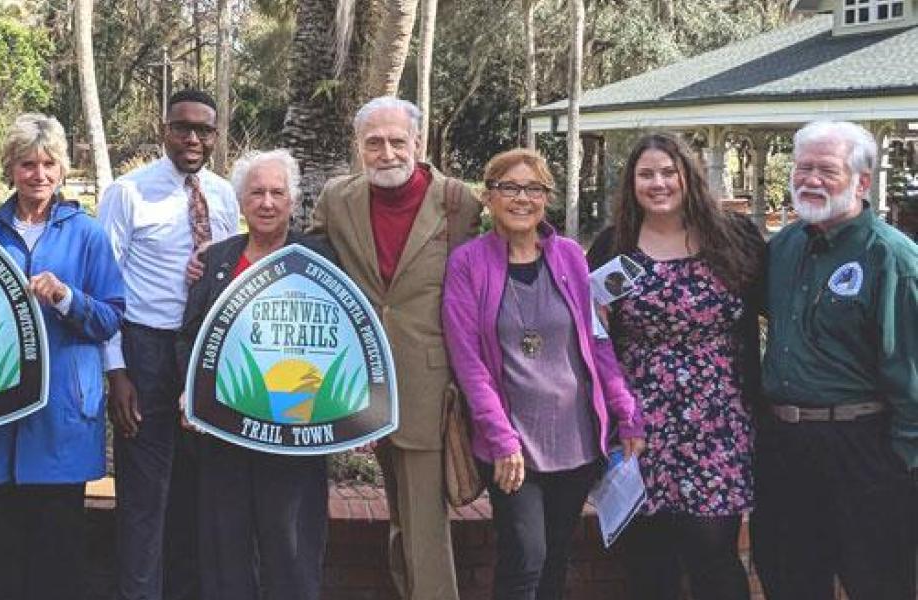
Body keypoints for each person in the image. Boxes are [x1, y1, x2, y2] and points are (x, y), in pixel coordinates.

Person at [444, 148, 645, 600]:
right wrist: (500, 439)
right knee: (524, 561)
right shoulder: (468, 263)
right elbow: (469, 363)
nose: (522, 198)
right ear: (489, 196)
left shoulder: (571, 256)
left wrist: (626, 412)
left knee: (555, 561)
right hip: (513, 443)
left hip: (575, 437)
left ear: (546, 199)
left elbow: (597, 342)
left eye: (533, 188)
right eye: (509, 188)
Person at [306, 96, 482, 600]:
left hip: (428, 380)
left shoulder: (457, 201)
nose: (386, 152)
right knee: (398, 512)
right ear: (359, 148)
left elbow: (475, 286)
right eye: (374, 143)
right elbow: (310, 264)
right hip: (354, 381)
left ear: (418, 144)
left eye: (397, 141)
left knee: (425, 519)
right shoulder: (338, 200)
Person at [587, 133, 766, 600]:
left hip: (718, 419)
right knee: (648, 557)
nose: (659, 183)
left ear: (688, 176)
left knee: (714, 552)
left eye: (669, 172)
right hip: (640, 424)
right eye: (647, 174)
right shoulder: (613, 247)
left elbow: (775, 308)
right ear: (632, 184)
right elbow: (585, 329)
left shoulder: (734, 237)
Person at [0, 113, 125, 600]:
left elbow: (112, 316)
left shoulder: (88, 234)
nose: (40, 175)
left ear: (63, 169)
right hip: (0, 410)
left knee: (60, 554)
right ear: (10, 167)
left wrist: (66, 298)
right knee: (5, 552)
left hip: (64, 409)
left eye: (49, 163)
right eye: (28, 164)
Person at [751, 120, 917, 600]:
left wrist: (901, 466)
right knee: (789, 578)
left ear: (862, 182)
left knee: (877, 583)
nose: (810, 180)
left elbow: (912, 369)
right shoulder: (783, 248)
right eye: (803, 168)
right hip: (784, 447)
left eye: (827, 169)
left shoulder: (892, 258)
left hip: (864, 450)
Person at [98, 89, 239, 600]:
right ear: (164, 131)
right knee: (144, 496)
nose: (193, 138)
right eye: (183, 127)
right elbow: (103, 284)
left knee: (197, 494)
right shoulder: (128, 192)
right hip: (146, 350)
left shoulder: (224, 194)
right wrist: (117, 372)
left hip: (206, 352)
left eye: (204, 129)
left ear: (215, 136)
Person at [174, 149, 332, 600]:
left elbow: (342, 338)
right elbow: (190, 336)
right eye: (256, 192)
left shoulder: (318, 259)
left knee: (292, 555)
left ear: (292, 200)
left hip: (295, 434)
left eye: (277, 193)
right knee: (226, 554)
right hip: (224, 435)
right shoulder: (217, 259)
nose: (266, 202)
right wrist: (191, 391)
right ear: (241, 202)